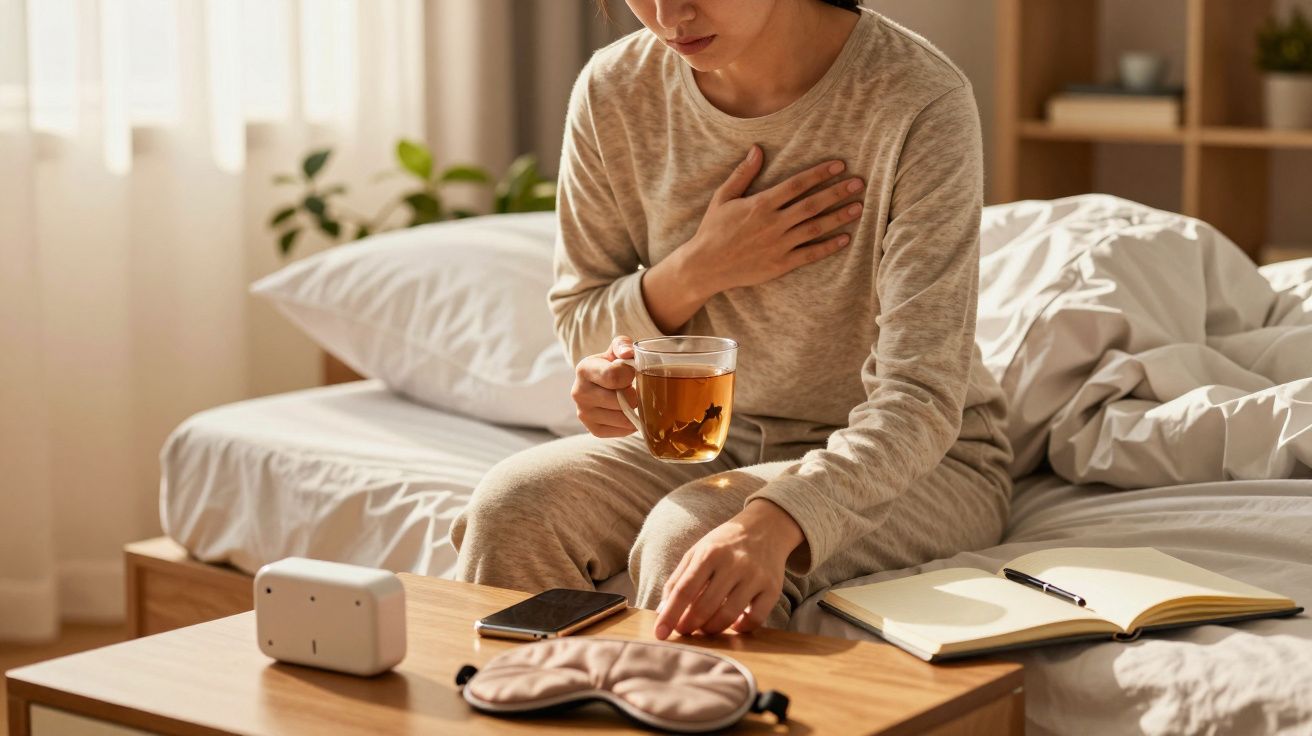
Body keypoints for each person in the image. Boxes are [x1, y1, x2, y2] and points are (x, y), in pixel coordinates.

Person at [451, 0, 1013, 641]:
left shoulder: (917, 97)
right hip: (710, 436)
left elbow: (922, 397)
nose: (668, 14)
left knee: (692, 532)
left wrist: (776, 518)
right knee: (513, 506)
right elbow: (582, 321)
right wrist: (699, 267)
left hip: (924, 459)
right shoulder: (615, 89)